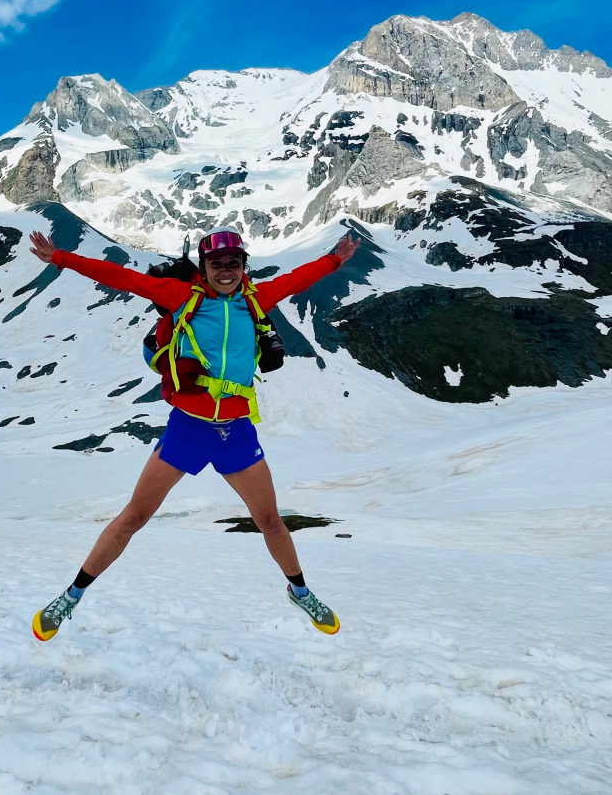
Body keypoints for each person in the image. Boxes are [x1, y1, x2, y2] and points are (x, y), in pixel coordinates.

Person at [26, 225, 361, 640]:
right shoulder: (183, 298)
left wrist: (335, 261)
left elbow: (299, 279)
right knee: (134, 516)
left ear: (244, 266)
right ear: (203, 267)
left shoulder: (256, 301)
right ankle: (71, 597)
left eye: (233, 263)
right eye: (216, 264)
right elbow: (122, 278)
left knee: (271, 520)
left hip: (236, 432)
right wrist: (60, 258)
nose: (226, 271)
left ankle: (300, 591)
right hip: (189, 428)